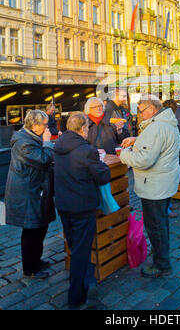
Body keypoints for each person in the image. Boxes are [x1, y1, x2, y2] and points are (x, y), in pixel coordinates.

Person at [54, 112, 111, 309]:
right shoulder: (87, 150)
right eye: (87, 127)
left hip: (63, 205)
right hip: (82, 206)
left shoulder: (58, 146)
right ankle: (76, 296)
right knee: (80, 251)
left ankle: (88, 280)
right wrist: (102, 164)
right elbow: (103, 176)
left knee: (74, 245)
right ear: (83, 129)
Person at [120, 95, 180, 278]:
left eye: (141, 110)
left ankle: (161, 264)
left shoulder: (157, 127)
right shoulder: (166, 123)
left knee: (155, 225)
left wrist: (124, 155)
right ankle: (161, 253)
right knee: (161, 222)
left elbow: (144, 160)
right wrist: (137, 140)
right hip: (164, 182)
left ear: (152, 109)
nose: (139, 114)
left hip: (155, 185)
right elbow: (156, 144)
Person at [5, 110, 55, 279]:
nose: (47, 127)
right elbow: (43, 159)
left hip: (35, 191)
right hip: (28, 193)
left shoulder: (30, 138)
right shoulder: (23, 143)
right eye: (44, 124)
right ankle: (30, 268)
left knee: (40, 227)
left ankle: (36, 260)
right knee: (31, 230)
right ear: (34, 126)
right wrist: (48, 143)